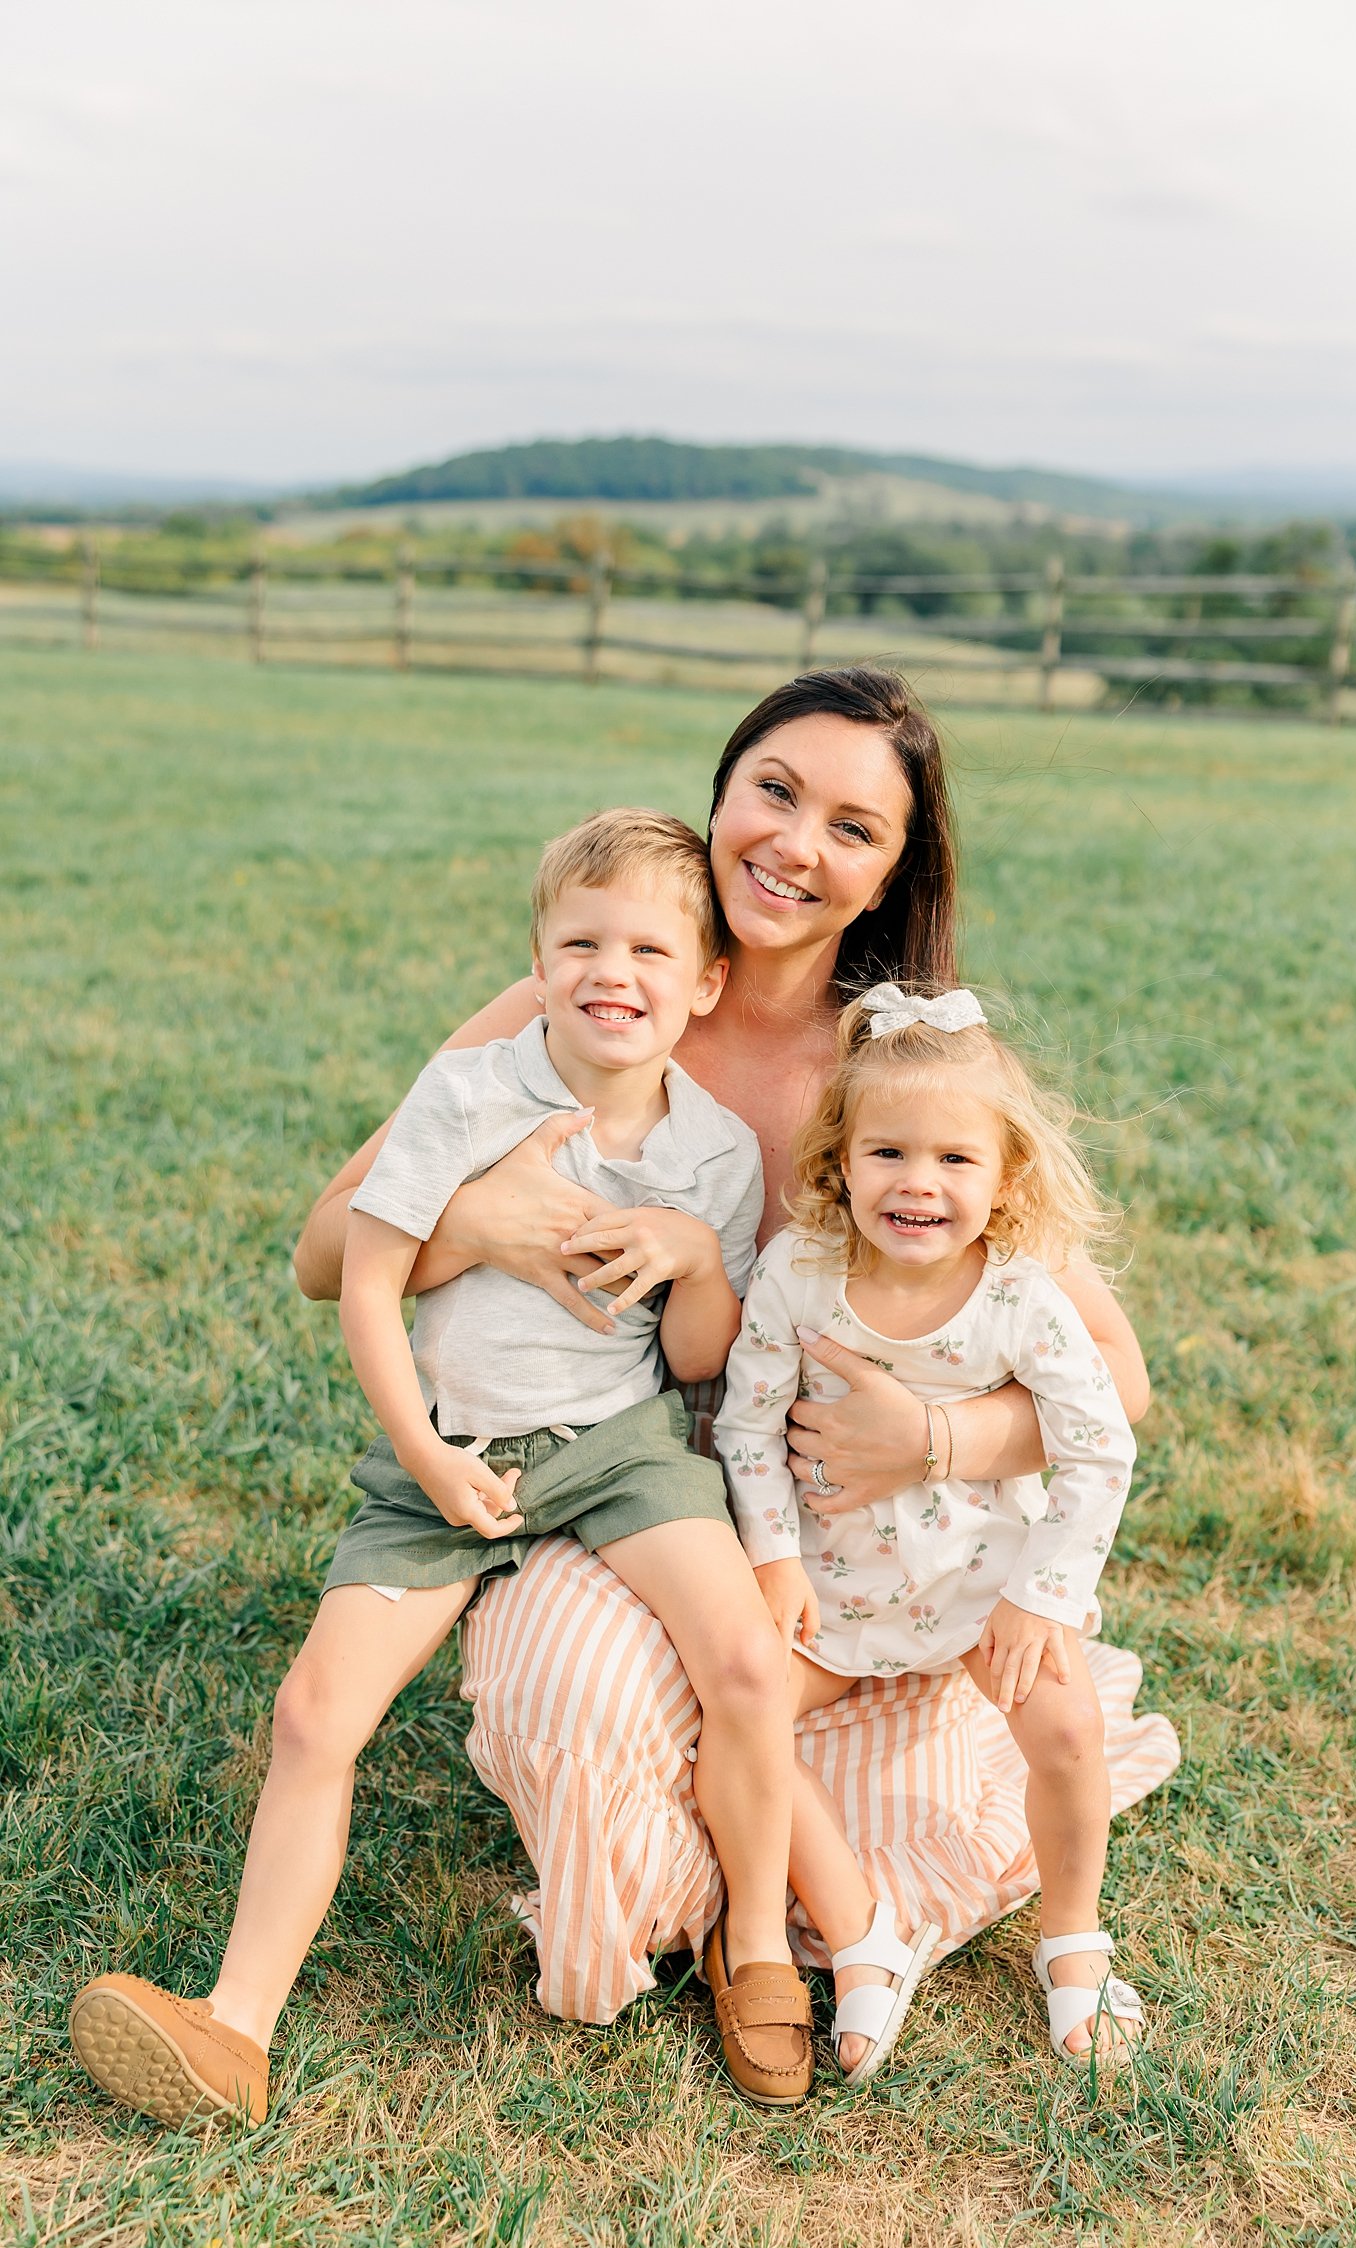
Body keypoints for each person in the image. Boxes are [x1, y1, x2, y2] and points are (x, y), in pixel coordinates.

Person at [291, 667, 1175, 2036]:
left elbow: (1116, 1379)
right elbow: (323, 1253)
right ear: (719, 794)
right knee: (586, 1716)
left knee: (828, 1711)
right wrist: (476, 1224)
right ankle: (718, 1890)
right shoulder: (597, 984)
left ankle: (777, 1894)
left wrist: (935, 1439)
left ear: (888, 874)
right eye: (774, 791)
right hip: (610, 1469)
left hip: (833, 1523)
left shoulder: (906, 1066)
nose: (796, 844)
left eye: (852, 826)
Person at [69, 809, 816, 2126]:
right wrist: (420, 1449)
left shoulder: (710, 1150)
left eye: (650, 947)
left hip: (621, 1451)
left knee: (748, 1660)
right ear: (535, 959)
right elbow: (360, 1283)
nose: (613, 970)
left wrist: (695, 1253)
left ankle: (756, 1937)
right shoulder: (469, 1095)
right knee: (314, 1713)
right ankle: (232, 2029)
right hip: (448, 1451)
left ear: (704, 984)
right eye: (580, 940)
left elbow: (699, 1354)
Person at [717, 983, 1146, 2080]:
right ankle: (863, 1935)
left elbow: (1100, 1447)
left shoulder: (1019, 1296)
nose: (919, 1183)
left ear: (1006, 1179)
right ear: (839, 1163)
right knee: (738, 1717)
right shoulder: (799, 1274)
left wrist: (1038, 1601)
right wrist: (771, 1561)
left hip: (980, 1582)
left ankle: (1073, 1939)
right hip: (833, 1580)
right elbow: (748, 1426)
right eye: (889, 1153)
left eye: (956, 1160)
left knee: (1066, 1727)